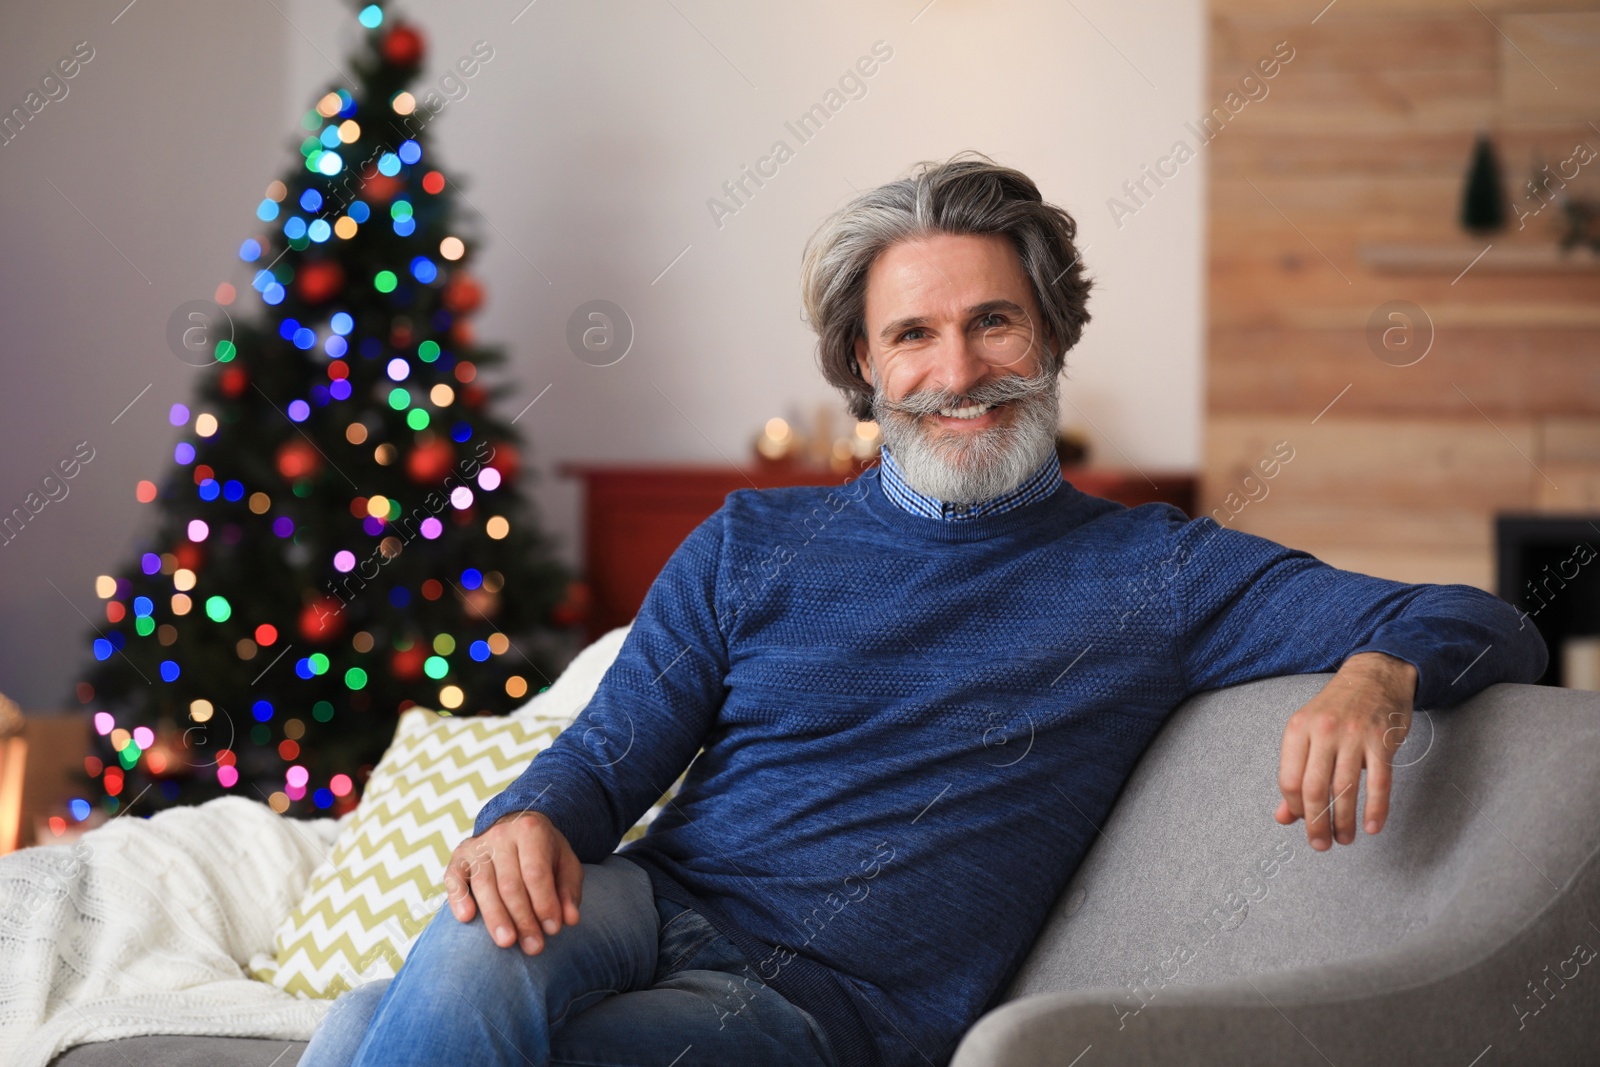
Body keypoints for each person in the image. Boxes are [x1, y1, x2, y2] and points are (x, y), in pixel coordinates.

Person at [304, 151, 1547, 1067]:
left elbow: (1491, 618)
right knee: (467, 946)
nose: (957, 374)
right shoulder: (753, 540)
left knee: (374, 1025)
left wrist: (1375, 673)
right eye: (912, 336)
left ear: (1052, 332)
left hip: (820, 1011)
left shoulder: (1160, 572)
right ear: (862, 367)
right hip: (645, 902)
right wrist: (523, 817)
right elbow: (607, 752)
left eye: (993, 321)